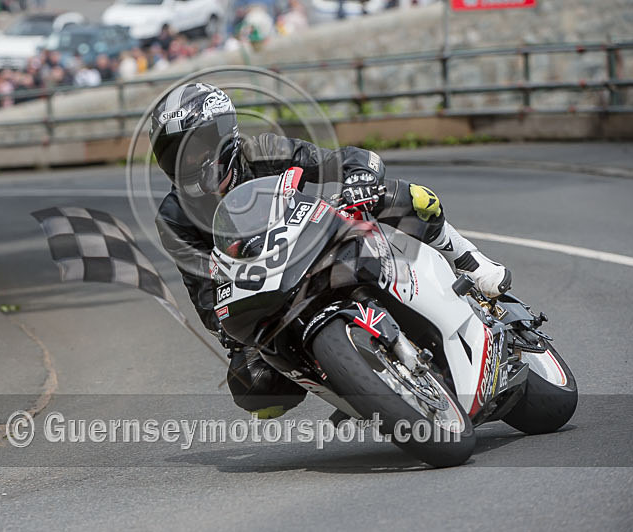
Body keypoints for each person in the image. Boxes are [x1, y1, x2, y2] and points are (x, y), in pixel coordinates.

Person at [151, 83, 512, 419]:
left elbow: (347, 159)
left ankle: (467, 258)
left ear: (221, 137)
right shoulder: (174, 216)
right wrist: (232, 333)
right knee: (256, 389)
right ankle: (347, 384)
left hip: (322, 238)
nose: (187, 161)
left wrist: (358, 179)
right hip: (268, 285)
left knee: (405, 197)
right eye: (175, 154)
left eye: (195, 148)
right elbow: (201, 290)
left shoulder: (263, 152)